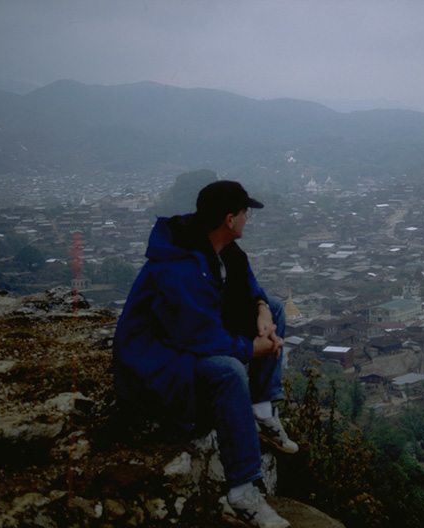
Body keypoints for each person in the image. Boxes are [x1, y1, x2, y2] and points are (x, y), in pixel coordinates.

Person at [113, 180, 296, 528]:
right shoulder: (181, 267)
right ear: (229, 219)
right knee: (229, 370)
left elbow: (247, 284)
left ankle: (261, 409)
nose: (248, 220)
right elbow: (199, 337)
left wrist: (261, 309)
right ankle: (242, 493)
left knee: (275, 306)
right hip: (156, 360)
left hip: (183, 341)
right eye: (245, 213)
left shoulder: (217, 245)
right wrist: (252, 348)